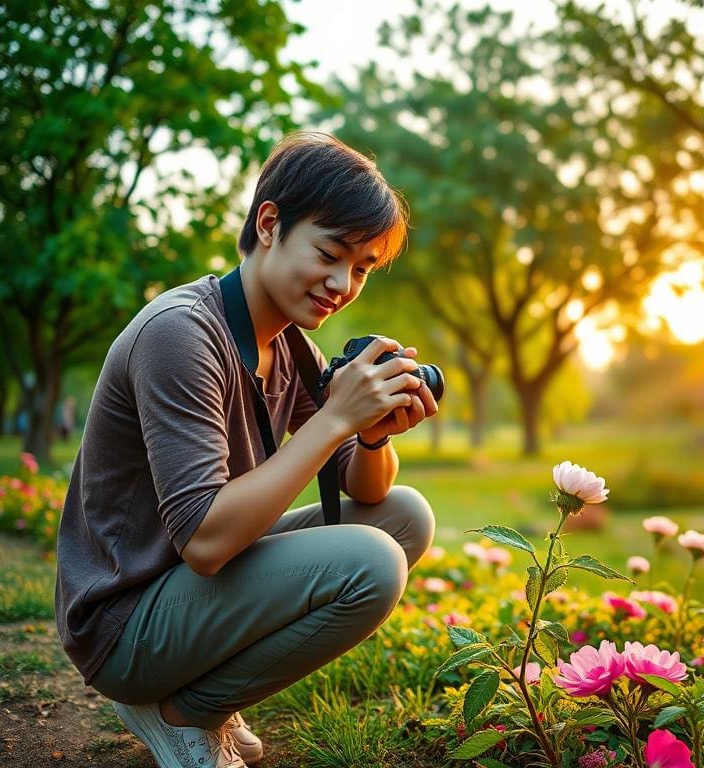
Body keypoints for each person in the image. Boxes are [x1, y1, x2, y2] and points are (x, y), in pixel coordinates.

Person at [54, 133, 438, 768]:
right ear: (269, 224)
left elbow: (365, 490)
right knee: (371, 563)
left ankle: (191, 694)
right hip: (123, 621)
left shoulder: (289, 346)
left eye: (363, 268)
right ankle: (184, 713)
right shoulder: (180, 334)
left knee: (404, 518)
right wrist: (337, 415)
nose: (343, 283)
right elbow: (205, 542)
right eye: (331, 253)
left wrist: (370, 433)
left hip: (181, 595)